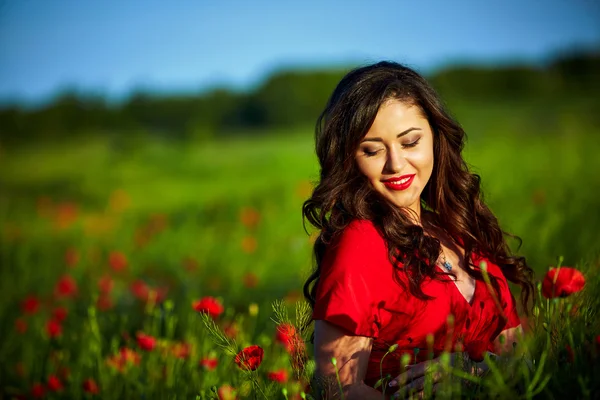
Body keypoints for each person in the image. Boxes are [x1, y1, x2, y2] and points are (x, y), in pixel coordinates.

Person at [301, 61, 535, 399]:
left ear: (436, 139)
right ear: (349, 158)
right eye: (372, 149)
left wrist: (476, 371)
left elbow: (523, 362)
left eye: (410, 142)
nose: (396, 164)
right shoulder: (361, 242)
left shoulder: (458, 230)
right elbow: (334, 389)